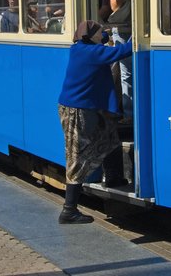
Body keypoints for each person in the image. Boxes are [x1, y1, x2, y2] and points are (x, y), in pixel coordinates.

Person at [57, 20, 132, 224]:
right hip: (77, 111)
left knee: (109, 137)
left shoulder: (81, 48)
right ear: (90, 36)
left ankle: (115, 177)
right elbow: (122, 51)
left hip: (88, 108)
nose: (104, 34)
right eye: (100, 32)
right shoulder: (91, 53)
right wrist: (139, 34)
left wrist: (106, 34)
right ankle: (69, 210)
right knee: (77, 156)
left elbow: (104, 40)